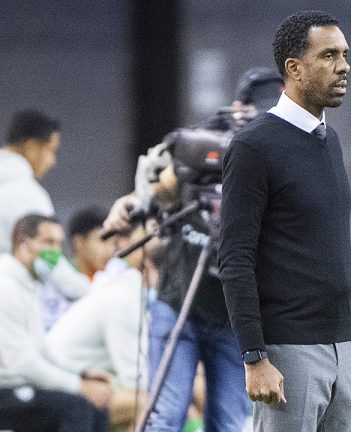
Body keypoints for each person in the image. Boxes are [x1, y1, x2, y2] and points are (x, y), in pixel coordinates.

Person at [102, 68, 282, 431]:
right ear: (237, 109)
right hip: (178, 304)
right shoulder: (202, 152)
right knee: (166, 416)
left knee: (228, 423)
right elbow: (157, 191)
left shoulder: (283, 164)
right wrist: (131, 204)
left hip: (235, 323)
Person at [218, 10, 351, 432]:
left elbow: (328, 251)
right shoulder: (253, 146)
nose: (344, 66)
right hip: (288, 354)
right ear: (294, 69)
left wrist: (347, 350)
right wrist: (254, 357)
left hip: (341, 348)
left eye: (344, 54)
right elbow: (235, 258)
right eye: (329, 55)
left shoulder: (329, 140)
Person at [0, 214, 111, 432]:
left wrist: (82, 373)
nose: (55, 252)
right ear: (23, 243)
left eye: (59, 244)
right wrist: (79, 386)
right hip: (6, 389)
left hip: (20, 383)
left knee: (96, 405)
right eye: (48, 242)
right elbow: (20, 362)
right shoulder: (5, 287)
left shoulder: (28, 284)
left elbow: (42, 350)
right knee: (78, 407)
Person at [45, 223, 159, 430]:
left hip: (78, 377)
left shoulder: (132, 294)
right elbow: (134, 376)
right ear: (151, 269)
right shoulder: (124, 300)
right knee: (152, 402)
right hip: (58, 388)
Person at [41, 206, 113, 330]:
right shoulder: (55, 283)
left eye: (113, 242)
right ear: (79, 242)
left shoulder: (112, 281)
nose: (110, 250)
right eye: (103, 240)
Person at [0, 109, 60, 254]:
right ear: (31, 147)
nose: (53, 161)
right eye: (51, 150)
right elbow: (46, 259)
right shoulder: (30, 196)